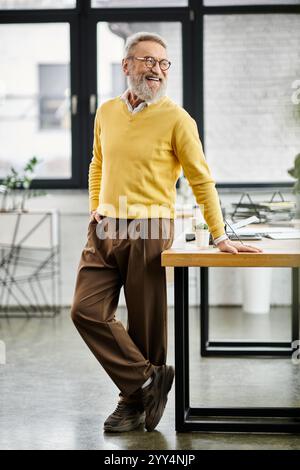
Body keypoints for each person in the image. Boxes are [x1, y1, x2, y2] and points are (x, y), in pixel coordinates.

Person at [71, 31, 262, 433]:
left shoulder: (177, 118)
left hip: (151, 226)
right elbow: (96, 163)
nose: (156, 70)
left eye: (163, 63)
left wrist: (220, 234)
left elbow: (201, 180)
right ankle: (145, 381)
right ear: (126, 66)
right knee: (85, 310)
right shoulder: (106, 112)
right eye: (147, 61)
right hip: (104, 226)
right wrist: (94, 207)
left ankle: (132, 403)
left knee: (146, 323)